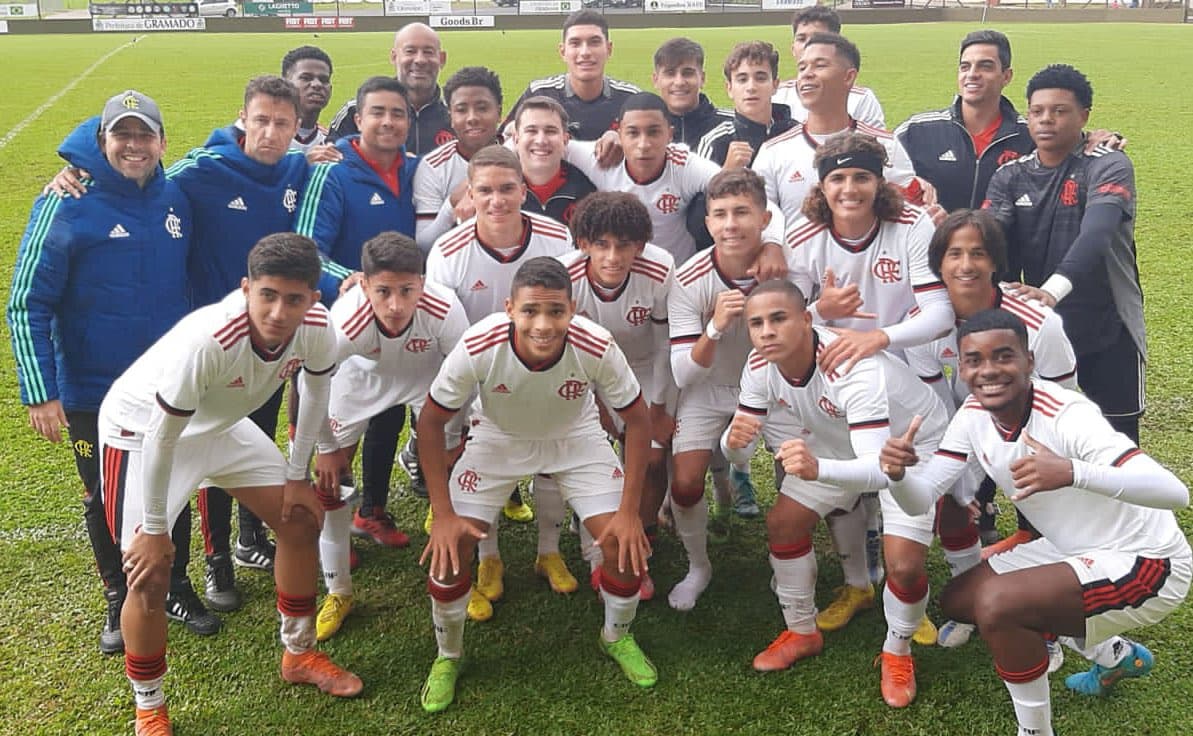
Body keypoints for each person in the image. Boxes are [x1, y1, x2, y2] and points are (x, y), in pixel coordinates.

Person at [45, 76, 315, 617]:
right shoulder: (184, 175)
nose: (269, 131)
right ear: (242, 117)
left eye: (281, 123)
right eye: (260, 119)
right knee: (125, 486)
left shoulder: (292, 170)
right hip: (151, 366)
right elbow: (30, 297)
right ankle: (144, 589)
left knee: (226, 449)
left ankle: (217, 561)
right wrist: (78, 171)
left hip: (254, 344)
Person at [98, 234, 363, 735]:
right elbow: (163, 433)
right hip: (141, 435)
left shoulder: (318, 329)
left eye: (293, 299)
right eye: (267, 295)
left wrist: (295, 476)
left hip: (218, 427)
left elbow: (313, 393)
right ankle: (149, 705)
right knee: (148, 575)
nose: (279, 311)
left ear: (313, 300)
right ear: (246, 289)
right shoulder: (213, 338)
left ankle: (299, 654)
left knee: (301, 518)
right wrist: (156, 529)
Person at [880, 308, 1190, 736]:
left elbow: (1175, 492)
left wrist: (1071, 471)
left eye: (1003, 356)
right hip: (1071, 547)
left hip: (1146, 560)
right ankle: (1115, 654)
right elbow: (921, 498)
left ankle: (1035, 732)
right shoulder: (972, 413)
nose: (988, 371)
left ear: (1029, 361)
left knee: (1000, 607)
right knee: (960, 601)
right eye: (974, 360)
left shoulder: (1066, 413)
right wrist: (897, 476)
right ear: (961, 366)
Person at [8, 90, 203, 654]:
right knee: (104, 496)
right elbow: (27, 302)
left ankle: (176, 585)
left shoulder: (177, 194)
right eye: (123, 135)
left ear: (163, 143)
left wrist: (308, 156)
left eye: (145, 135)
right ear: (102, 142)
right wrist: (41, 392)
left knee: (176, 483)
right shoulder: (66, 203)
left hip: (168, 383)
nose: (134, 145)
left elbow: (225, 161)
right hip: (94, 390)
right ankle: (119, 596)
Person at [417, 256, 656, 713]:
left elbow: (638, 422)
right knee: (450, 554)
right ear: (509, 308)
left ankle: (615, 637)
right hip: (498, 439)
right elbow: (430, 423)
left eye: (555, 311)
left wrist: (629, 514)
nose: (543, 325)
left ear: (573, 309)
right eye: (530, 311)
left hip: (577, 439)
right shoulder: (478, 344)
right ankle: (450, 656)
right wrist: (443, 514)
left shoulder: (596, 344)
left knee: (622, 545)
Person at [723, 280, 948, 709]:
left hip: (910, 450)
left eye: (778, 318)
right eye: (756, 323)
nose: (767, 331)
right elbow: (738, 451)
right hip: (841, 444)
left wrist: (817, 468)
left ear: (807, 319)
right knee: (783, 523)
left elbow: (880, 471)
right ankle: (802, 632)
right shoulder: (757, 365)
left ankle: (896, 653)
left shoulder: (850, 368)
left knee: (903, 566)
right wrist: (733, 444)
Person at [784, 132, 952, 626]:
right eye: (837, 178)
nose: (849, 188)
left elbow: (939, 312)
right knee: (848, 485)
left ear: (879, 181)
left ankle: (927, 584)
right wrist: (818, 309)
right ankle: (858, 582)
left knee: (942, 487)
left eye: (861, 176)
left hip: (908, 378)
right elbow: (784, 318)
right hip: (834, 381)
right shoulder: (804, 234)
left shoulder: (911, 223)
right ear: (822, 186)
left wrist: (877, 338)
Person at [903, 208, 1077, 650]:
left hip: (1034, 433)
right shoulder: (921, 322)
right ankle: (972, 604)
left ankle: (1047, 625)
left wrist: (1030, 458)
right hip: (963, 430)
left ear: (996, 261)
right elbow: (937, 406)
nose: (965, 265)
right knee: (952, 505)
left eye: (978, 254)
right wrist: (961, 484)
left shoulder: (1039, 322)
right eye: (954, 254)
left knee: (1047, 520)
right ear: (938, 263)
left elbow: (1062, 404)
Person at [424, 145, 575, 620]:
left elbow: (570, 306)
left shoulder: (556, 236)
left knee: (552, 458)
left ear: (524, 190)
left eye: (507, 188)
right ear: (469, 194)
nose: (496, 200)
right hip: (479, 377)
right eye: (484, 190)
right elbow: (444, 330)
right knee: (481, 467)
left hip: (549, 366)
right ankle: (489, 560)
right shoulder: (448, 250)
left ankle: (548, 551)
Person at [312, 232, 468, 641]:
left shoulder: (444, 307)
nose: (396, 305)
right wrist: (325, 449)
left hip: (425, 377)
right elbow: (309, 383)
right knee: (329, 484)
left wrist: (469, 427)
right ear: (363, 285)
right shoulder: (345, 321)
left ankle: (451, 544)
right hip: (359, 382)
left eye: (407, 290)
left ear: (422, 281)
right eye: (383, 291)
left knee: (453, 458)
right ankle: (338, 590)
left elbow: (468, 372)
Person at [984, 64, 1146, 444]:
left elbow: (1099, 231)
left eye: (1059, 111)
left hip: (1110, 325)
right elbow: (991, 236)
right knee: (1043, 432)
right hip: (1043, 328)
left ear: (1084, 116)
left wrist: (1052, 291)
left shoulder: (1109, 164)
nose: (1046, 120)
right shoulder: (1010, 175)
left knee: (1118, 435)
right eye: (1037, 111)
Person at [296, 75, 420, 551]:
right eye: (378, 113)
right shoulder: (333, 171)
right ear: (359, 118)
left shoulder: (416, 170)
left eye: (398, 114)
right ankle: (327, 527)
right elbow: (309, 249)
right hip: (344, 318)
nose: (388, 122)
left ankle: (372, 510)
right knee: (339, 427)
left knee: (389, 412)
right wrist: (351, 282)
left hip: (396, 315)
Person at [666, 168, 782, 611]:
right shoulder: (689, 278)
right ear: (707, 222)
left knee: (796, 476)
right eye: (719, 214)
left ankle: (786, 562)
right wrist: (714, 327)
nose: (730, 224)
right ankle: (699, 567)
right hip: (709, 389)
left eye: (742, 213)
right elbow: (682, 375)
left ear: (765, 218)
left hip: (773, 387)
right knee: (685, 484)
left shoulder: (783, 266)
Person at [559, 192, 675, 600]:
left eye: (623, 245)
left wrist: (657, 404)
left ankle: (640, 535)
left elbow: (664, 344)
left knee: (654, 457)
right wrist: (595, 404)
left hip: (643, 368)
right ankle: (598, 547)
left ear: (639, 245)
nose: (612, 256)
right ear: (583, 244)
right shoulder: (565, 275)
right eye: (601, 245)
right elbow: (564, 348)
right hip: (588, 371)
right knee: (599, 458)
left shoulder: (660, 268)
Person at [751, 33, 919, 228]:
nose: (806, 74)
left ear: (848, 77)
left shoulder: (886, 146)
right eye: (802, 67)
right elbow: (758, 225)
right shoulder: (773, 152)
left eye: (819, 65)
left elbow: (909, 220)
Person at [894, 30, 1034, 214]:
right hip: (932, 243)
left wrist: (1085, 141)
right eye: (965, 67)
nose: (972, 74)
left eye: (985, 66)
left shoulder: (1030, 138)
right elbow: (873, 172)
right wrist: (906, 185)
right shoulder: (918, 131)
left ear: (1006, 76)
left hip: (1001, 243)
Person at [502, 9, 640, 142]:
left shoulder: (631, 99)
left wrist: (623, 139)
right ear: (563, 52)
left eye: (594, 42)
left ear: (609, 49)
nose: (585, 52)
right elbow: (502, 138)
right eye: (575, 43)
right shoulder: (540, 93)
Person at [326, 22, 452, 154]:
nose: (420, 60)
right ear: (394, 57)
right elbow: (329, 163)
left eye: (428, 52)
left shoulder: (456, 114)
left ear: (442, 59)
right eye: (410, 51)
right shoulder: (355, 110)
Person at [414, 66, 504, 250]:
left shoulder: (520, 156)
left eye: (482, 108)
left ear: (499, 112)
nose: (472, 118)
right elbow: (423, 246)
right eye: (462, 110)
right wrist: (451, 205)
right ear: (451, 117)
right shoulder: (433, 166)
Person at [772, 6, 884, 129]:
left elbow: (877, 145)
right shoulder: (776, 96)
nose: (809, 45)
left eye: (817, 38)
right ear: (793, 49)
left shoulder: (861, 99)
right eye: (801, 39)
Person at [696, 41, 797, 169]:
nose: (751, 87)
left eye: (760, 78)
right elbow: (698, 188)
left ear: (775, 85)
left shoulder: (796, 133)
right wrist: (727, 171)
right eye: (742, 80)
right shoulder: (716, 142)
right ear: (729, 88)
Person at [510, 96, 597, 226]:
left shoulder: (586, 196)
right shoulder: (498, 190)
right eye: (531, 131)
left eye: (550, 131)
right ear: (516, 139)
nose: (541, 140)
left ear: (565, 140)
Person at [650, 37, 731, 150]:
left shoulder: (731, 126)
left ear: (702, 78)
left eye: (687, 73)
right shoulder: (644, 132)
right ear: (656, 80)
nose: (679, 82)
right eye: (670, 73)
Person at [281, 45, 334, 154]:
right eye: (306, 78)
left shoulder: (330, 144)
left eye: (324, 80)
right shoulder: (263, 138)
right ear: (285, 84)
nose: (317, 84)